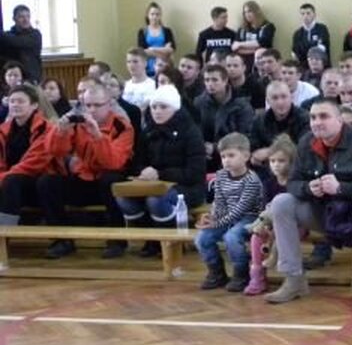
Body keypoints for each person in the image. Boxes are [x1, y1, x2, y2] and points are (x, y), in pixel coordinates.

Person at [266, 98, 352, 308]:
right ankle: (294, 279)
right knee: (281, 202)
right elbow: (292, 183)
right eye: (313, 117)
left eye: (324, 116)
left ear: (339, 120)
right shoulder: (306, 142)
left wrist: (342, 188)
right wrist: (308, 188)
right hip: (323, 213)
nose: (317, 122)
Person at [37, 83, 135, 259]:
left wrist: (97, 136)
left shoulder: (123, 126)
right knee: (47, 182)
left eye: (97, 105)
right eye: (88, 105)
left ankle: (117, 240)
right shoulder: (78, 123)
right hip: (84, 178)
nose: (92, 110)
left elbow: (113, 163)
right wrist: (60, 132)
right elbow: (55, 152)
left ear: (109, 104)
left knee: (109, 180)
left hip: (109, 180)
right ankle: (62, 240)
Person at [114, 84, 206, 258]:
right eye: (154, 107)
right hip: (152, 185)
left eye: (163, 107)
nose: (157, 111)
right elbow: (137, 162)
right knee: (123, 198)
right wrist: (143, 171)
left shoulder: (191, 132)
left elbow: (195, 172)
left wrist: (159, 174)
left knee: (156, 200)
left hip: (188, 188)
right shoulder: (148, 131)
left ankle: (171, 244)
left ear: (175, 108)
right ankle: (152, 239)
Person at [194, 133, 264, 291]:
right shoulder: (220, 176)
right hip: (227, 217)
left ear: (245, 156)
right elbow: (219, 202)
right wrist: (211, 217)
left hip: (250, 218)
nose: (226, 160)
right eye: (223, 156)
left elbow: (240, 210)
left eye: (231, 155)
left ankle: (241, 274)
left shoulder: (252, 180)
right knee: (202, 238)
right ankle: (217, 273)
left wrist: (217, 223)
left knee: (232, 236)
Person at [243, 135, 297, 296]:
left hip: (294, 224)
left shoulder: (295, 182)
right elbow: (264, 207)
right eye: (272, 161)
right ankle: (258, 277)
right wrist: (265, 224)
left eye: (281, 161)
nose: (276, 165)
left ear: (291, 162)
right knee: (256, 237)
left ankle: (288, 276)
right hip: (270, 223)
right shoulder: (268, 183)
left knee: (281, 233)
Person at [0, 84, 55, 226]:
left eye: (21, 101)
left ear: (34, 105)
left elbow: (34, 162)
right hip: (8, 181)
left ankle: (5, 231)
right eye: (12, 101)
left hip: (37, 182)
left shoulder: (46, 128)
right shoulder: (3, 130)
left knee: (12, 181)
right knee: (10, 182)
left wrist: (3, 177)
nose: (15, 105)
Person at [195, 63, 256, 171]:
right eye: (207, 80)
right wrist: (202, 146)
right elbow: (195, 129)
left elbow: (244, 136)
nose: (210, 84)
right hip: (204, 154)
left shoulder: (241, 105)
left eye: (215, 80)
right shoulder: (199, 102)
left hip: (232, 153)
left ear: (225, 81)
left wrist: (215, 148)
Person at [251, 80, 310, 167]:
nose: (280, 102)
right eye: (275, 98)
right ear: (268, 101)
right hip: (267, 166)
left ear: (291, 97)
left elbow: (303, 148)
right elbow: (254, 149)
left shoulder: (304, 118)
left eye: (284, 97)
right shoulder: (259, 120)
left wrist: (270, 151)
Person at [1, 4, 43, 83]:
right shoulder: (7, 36)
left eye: (28, 16)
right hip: (12, 78)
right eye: (21, 17)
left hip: (31, 78)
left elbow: (17, 42)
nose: (25, 20)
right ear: (14, 19)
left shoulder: (35, 35)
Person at [137, 2, 175, 75]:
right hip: (148, 69)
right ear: (148, 15)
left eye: (157, 14)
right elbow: (142, 52)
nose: (155, 17)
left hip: (165, 68)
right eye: (152, 14)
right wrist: (163, 51)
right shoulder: (142, 31)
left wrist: (152, 49)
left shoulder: (167, 31)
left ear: (160, 16)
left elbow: (171, 50)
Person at [292, 2, 332, 67]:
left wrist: (305, 50)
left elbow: (321, 49)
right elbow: (295, 54)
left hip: (322, 67)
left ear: (314, 15)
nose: (305, 16)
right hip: (304, 68)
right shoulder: (297, 34)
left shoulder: (322, 29)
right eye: (302, 14)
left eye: (308, 13)